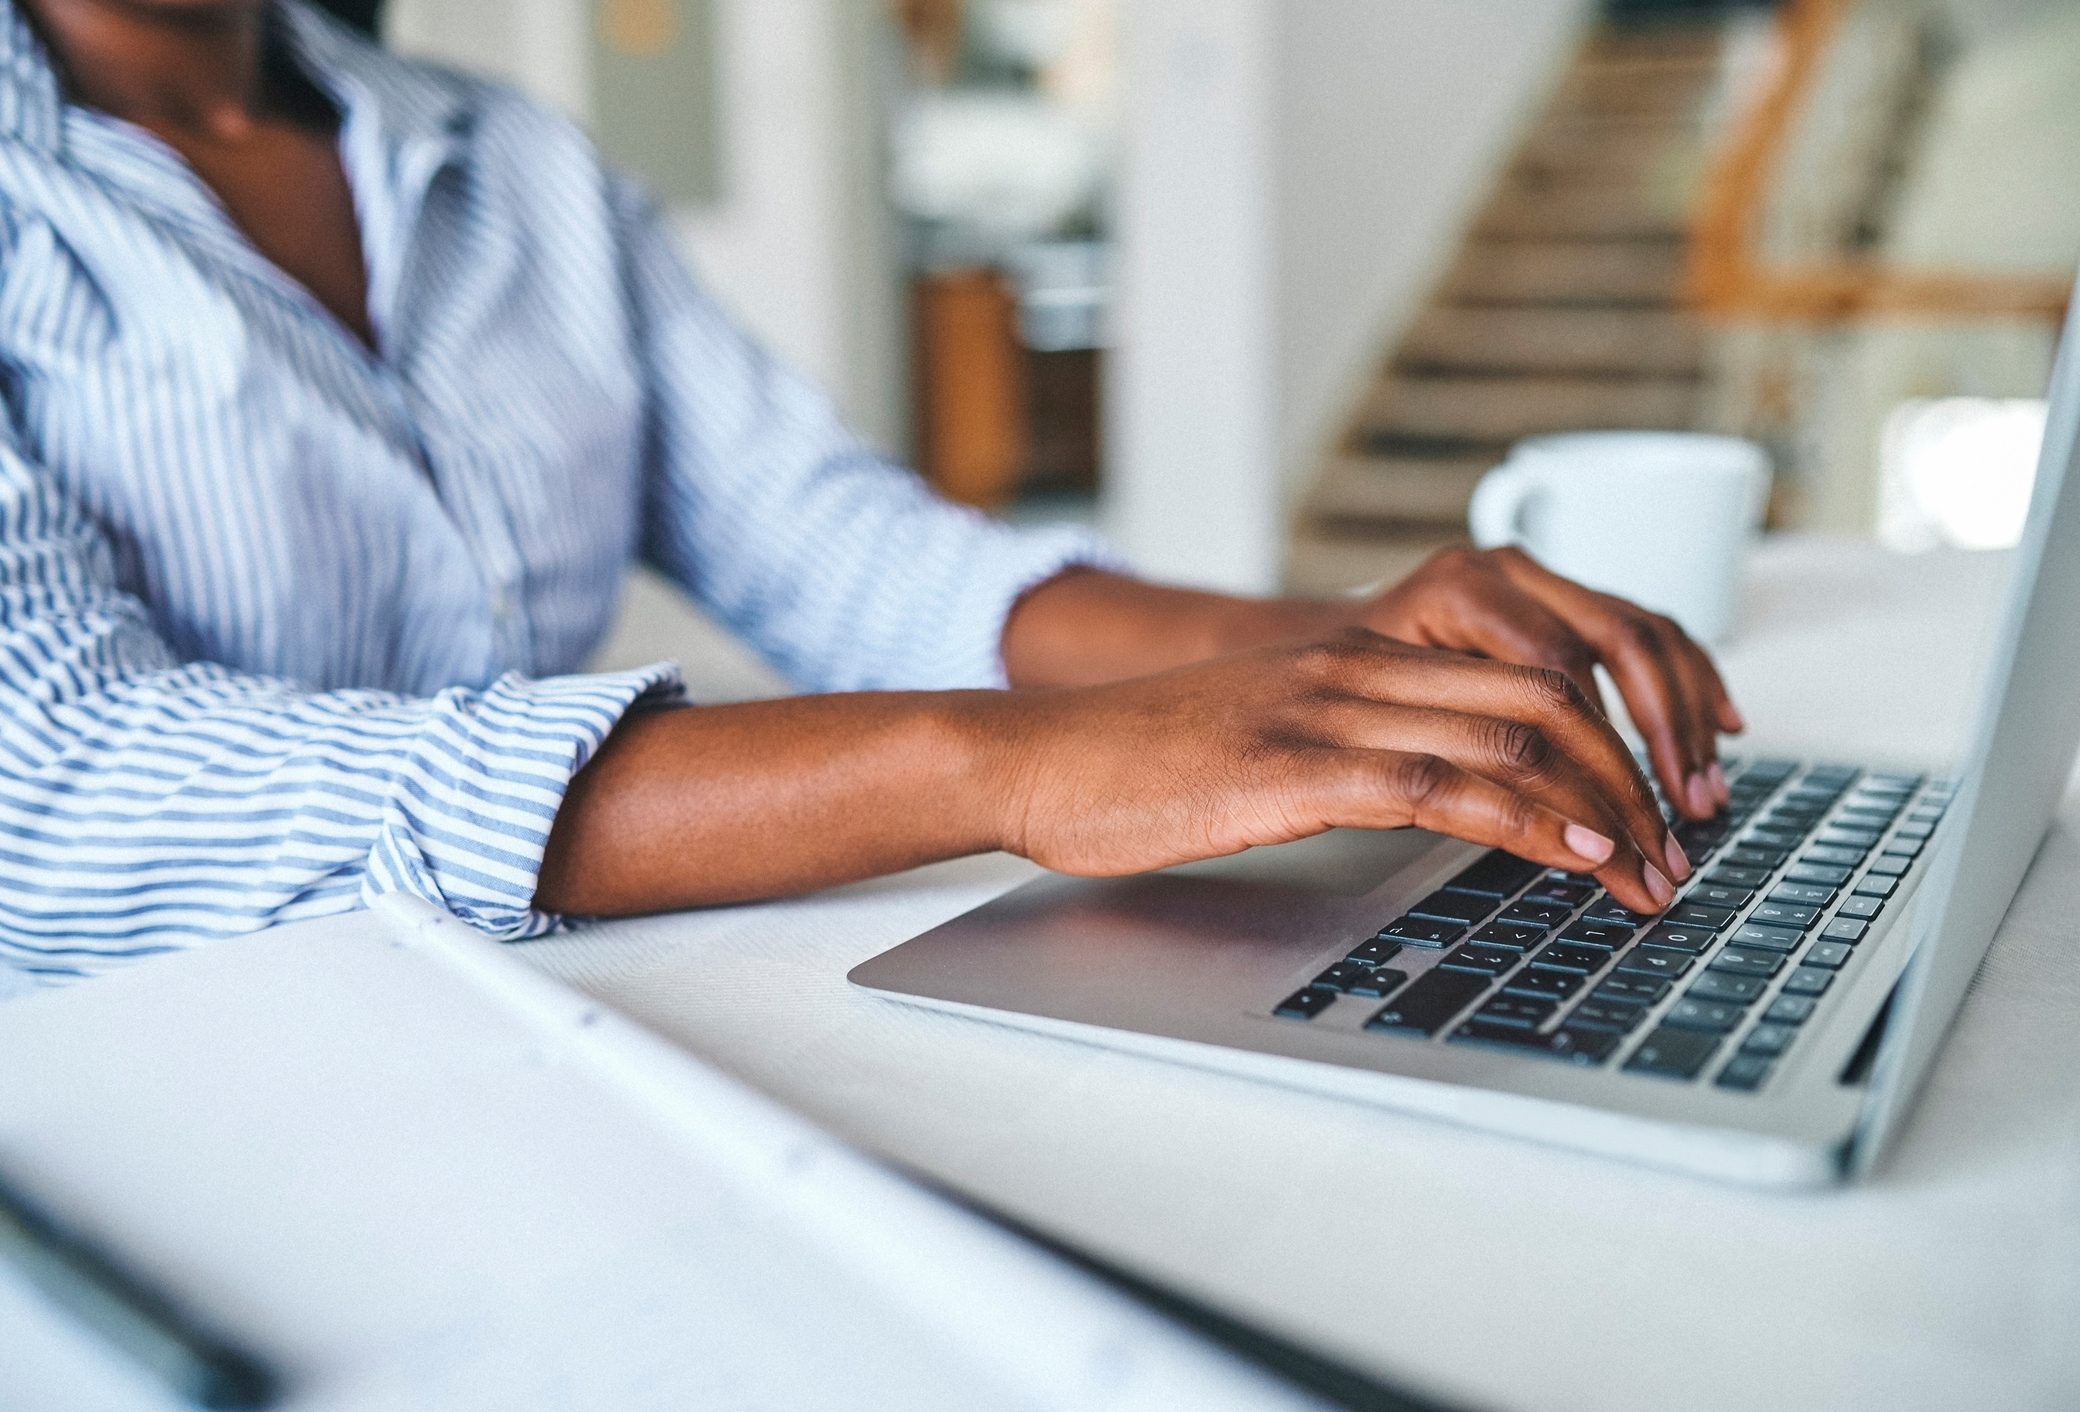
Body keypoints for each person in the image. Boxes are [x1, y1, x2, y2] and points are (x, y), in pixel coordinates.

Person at [0, 0, 1742, 987]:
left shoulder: (505, 158)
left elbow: (828, 539)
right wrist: (1000, 762)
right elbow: (63, 789)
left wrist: (1342, 646)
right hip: (159, 1094)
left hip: (543, 1013)